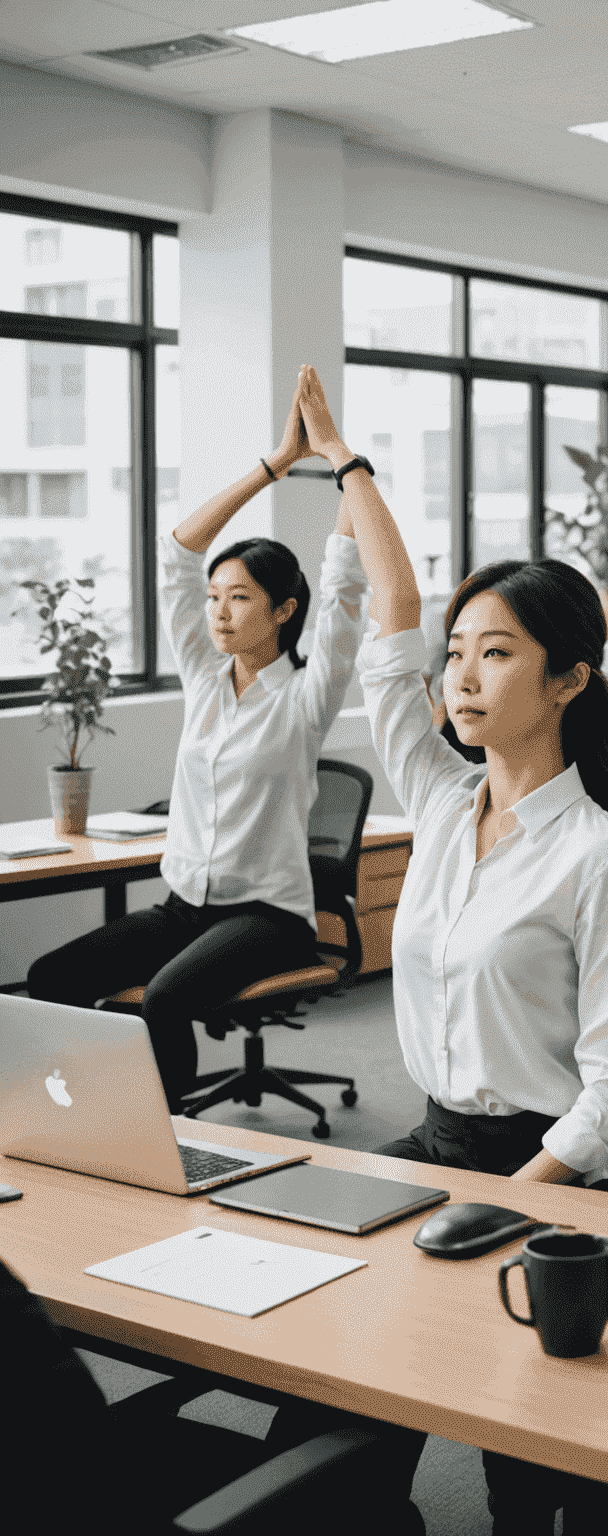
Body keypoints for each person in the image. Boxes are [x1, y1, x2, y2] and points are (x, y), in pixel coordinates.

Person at [288, 364, 608, 1536]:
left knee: (518, 1463)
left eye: (495, 654)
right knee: (321, 1392)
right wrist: (347, 469)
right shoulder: (445, 804)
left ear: (568, 680)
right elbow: (391, 619)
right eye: (460, 652)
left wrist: (494, 1199)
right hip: (439, 1143)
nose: (460, 673)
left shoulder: (599, 860)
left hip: (549, 1178)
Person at [26, 380, 366, 1108]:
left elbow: (343, 586)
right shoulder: (206, 681)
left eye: (239, 597)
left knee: (166, 999)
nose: (219, 611)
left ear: (283, 610)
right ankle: (76, 1113)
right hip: (184, 905)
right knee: (51, 978)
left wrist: (341, 459)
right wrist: (273, 465)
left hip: (269, 918)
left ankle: (177, 1141)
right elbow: (179, 550)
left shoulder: (307, 697)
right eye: (215, 598)